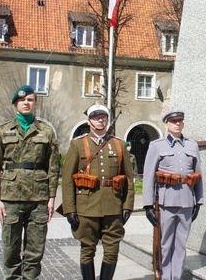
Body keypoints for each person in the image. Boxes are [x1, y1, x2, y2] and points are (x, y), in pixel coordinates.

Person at [0, 85, 61, 280]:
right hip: (10, 197)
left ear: (35, 104)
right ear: (15, 104)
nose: (26, 103)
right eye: (22, 100)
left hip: (39, 198)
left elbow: (53, 167)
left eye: (30, 100)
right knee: (10, 248)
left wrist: (52, 197)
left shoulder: (46, 131)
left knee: (35, 250)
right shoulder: (3, 131)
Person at [61, 104, 135, 280]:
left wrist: (128, 205)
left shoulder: (118, 145)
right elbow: (67, 179)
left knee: (112, 249)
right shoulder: (78, 145)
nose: (100, 120)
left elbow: (128, 179)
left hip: (113, 205)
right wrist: (70, 209)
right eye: (95, 117)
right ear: (89, 121)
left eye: (103, 117)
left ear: (107, 120)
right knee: (87, 249)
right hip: (87, 205)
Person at [143, 110, 203, 280]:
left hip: (186, 202)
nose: (177, 124)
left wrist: (199, 201)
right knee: (165, 244)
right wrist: (148, 205)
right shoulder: (157, 146)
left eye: (180, 121)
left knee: (181, 244)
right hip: (165, 202)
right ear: (166, 125)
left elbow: (198, 175)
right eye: (174, 121)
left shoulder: (192, 145)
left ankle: (176, 277)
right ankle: (165, 276)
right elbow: (148, 176)